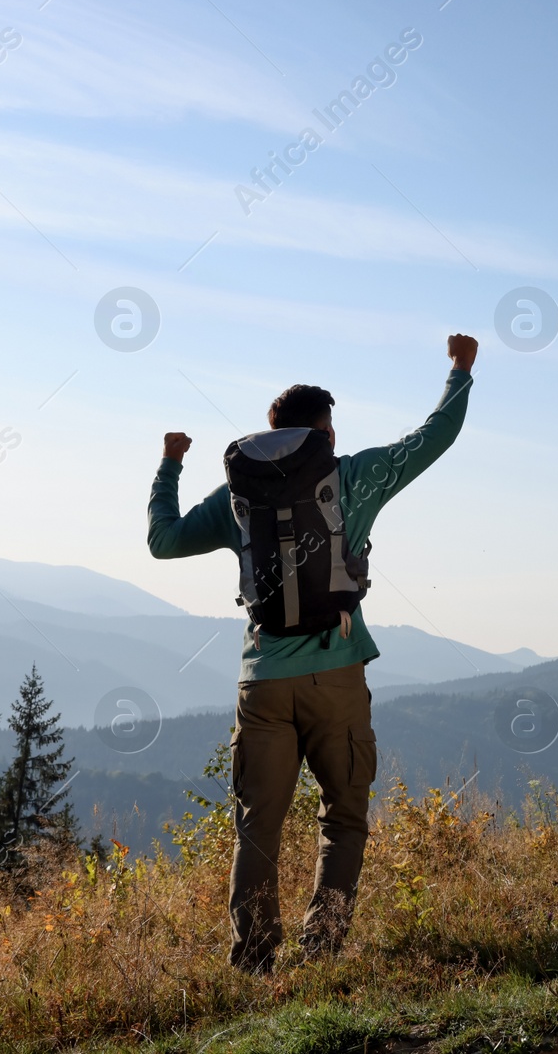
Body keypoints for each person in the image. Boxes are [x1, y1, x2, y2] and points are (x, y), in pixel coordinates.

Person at [147, 333, 478, 973]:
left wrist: (169, 465)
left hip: (263, 680)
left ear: (274, 432)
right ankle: (321, 952)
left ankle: (254, 963)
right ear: (323, 432)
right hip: (337, 674)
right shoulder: (351, 476)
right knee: (344, 816)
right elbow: (433, 438)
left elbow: (164, 540)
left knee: (258, 826)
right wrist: (460, 370)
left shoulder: (238, 497)